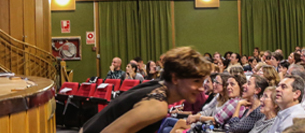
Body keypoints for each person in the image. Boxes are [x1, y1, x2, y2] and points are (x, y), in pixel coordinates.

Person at [80, 47, 213, 133]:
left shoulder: (157, 86)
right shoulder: (157, 105)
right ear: (176, 78)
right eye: (196, 81)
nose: (201, 88)